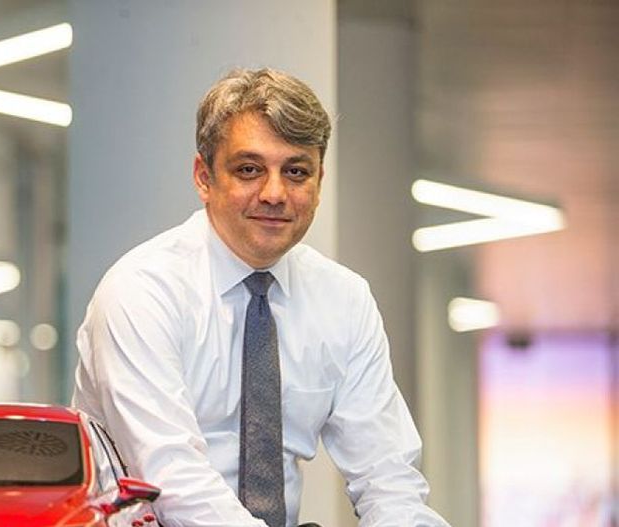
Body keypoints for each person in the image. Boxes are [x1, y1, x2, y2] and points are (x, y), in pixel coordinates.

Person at [72, 68, 449, 527]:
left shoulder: (344, 299)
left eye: (296, 172)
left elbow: (387, 478)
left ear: (319, 181)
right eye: (249, 170)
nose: (274, 194)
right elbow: (171, 479)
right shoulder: (142, 291)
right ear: (204, 177)